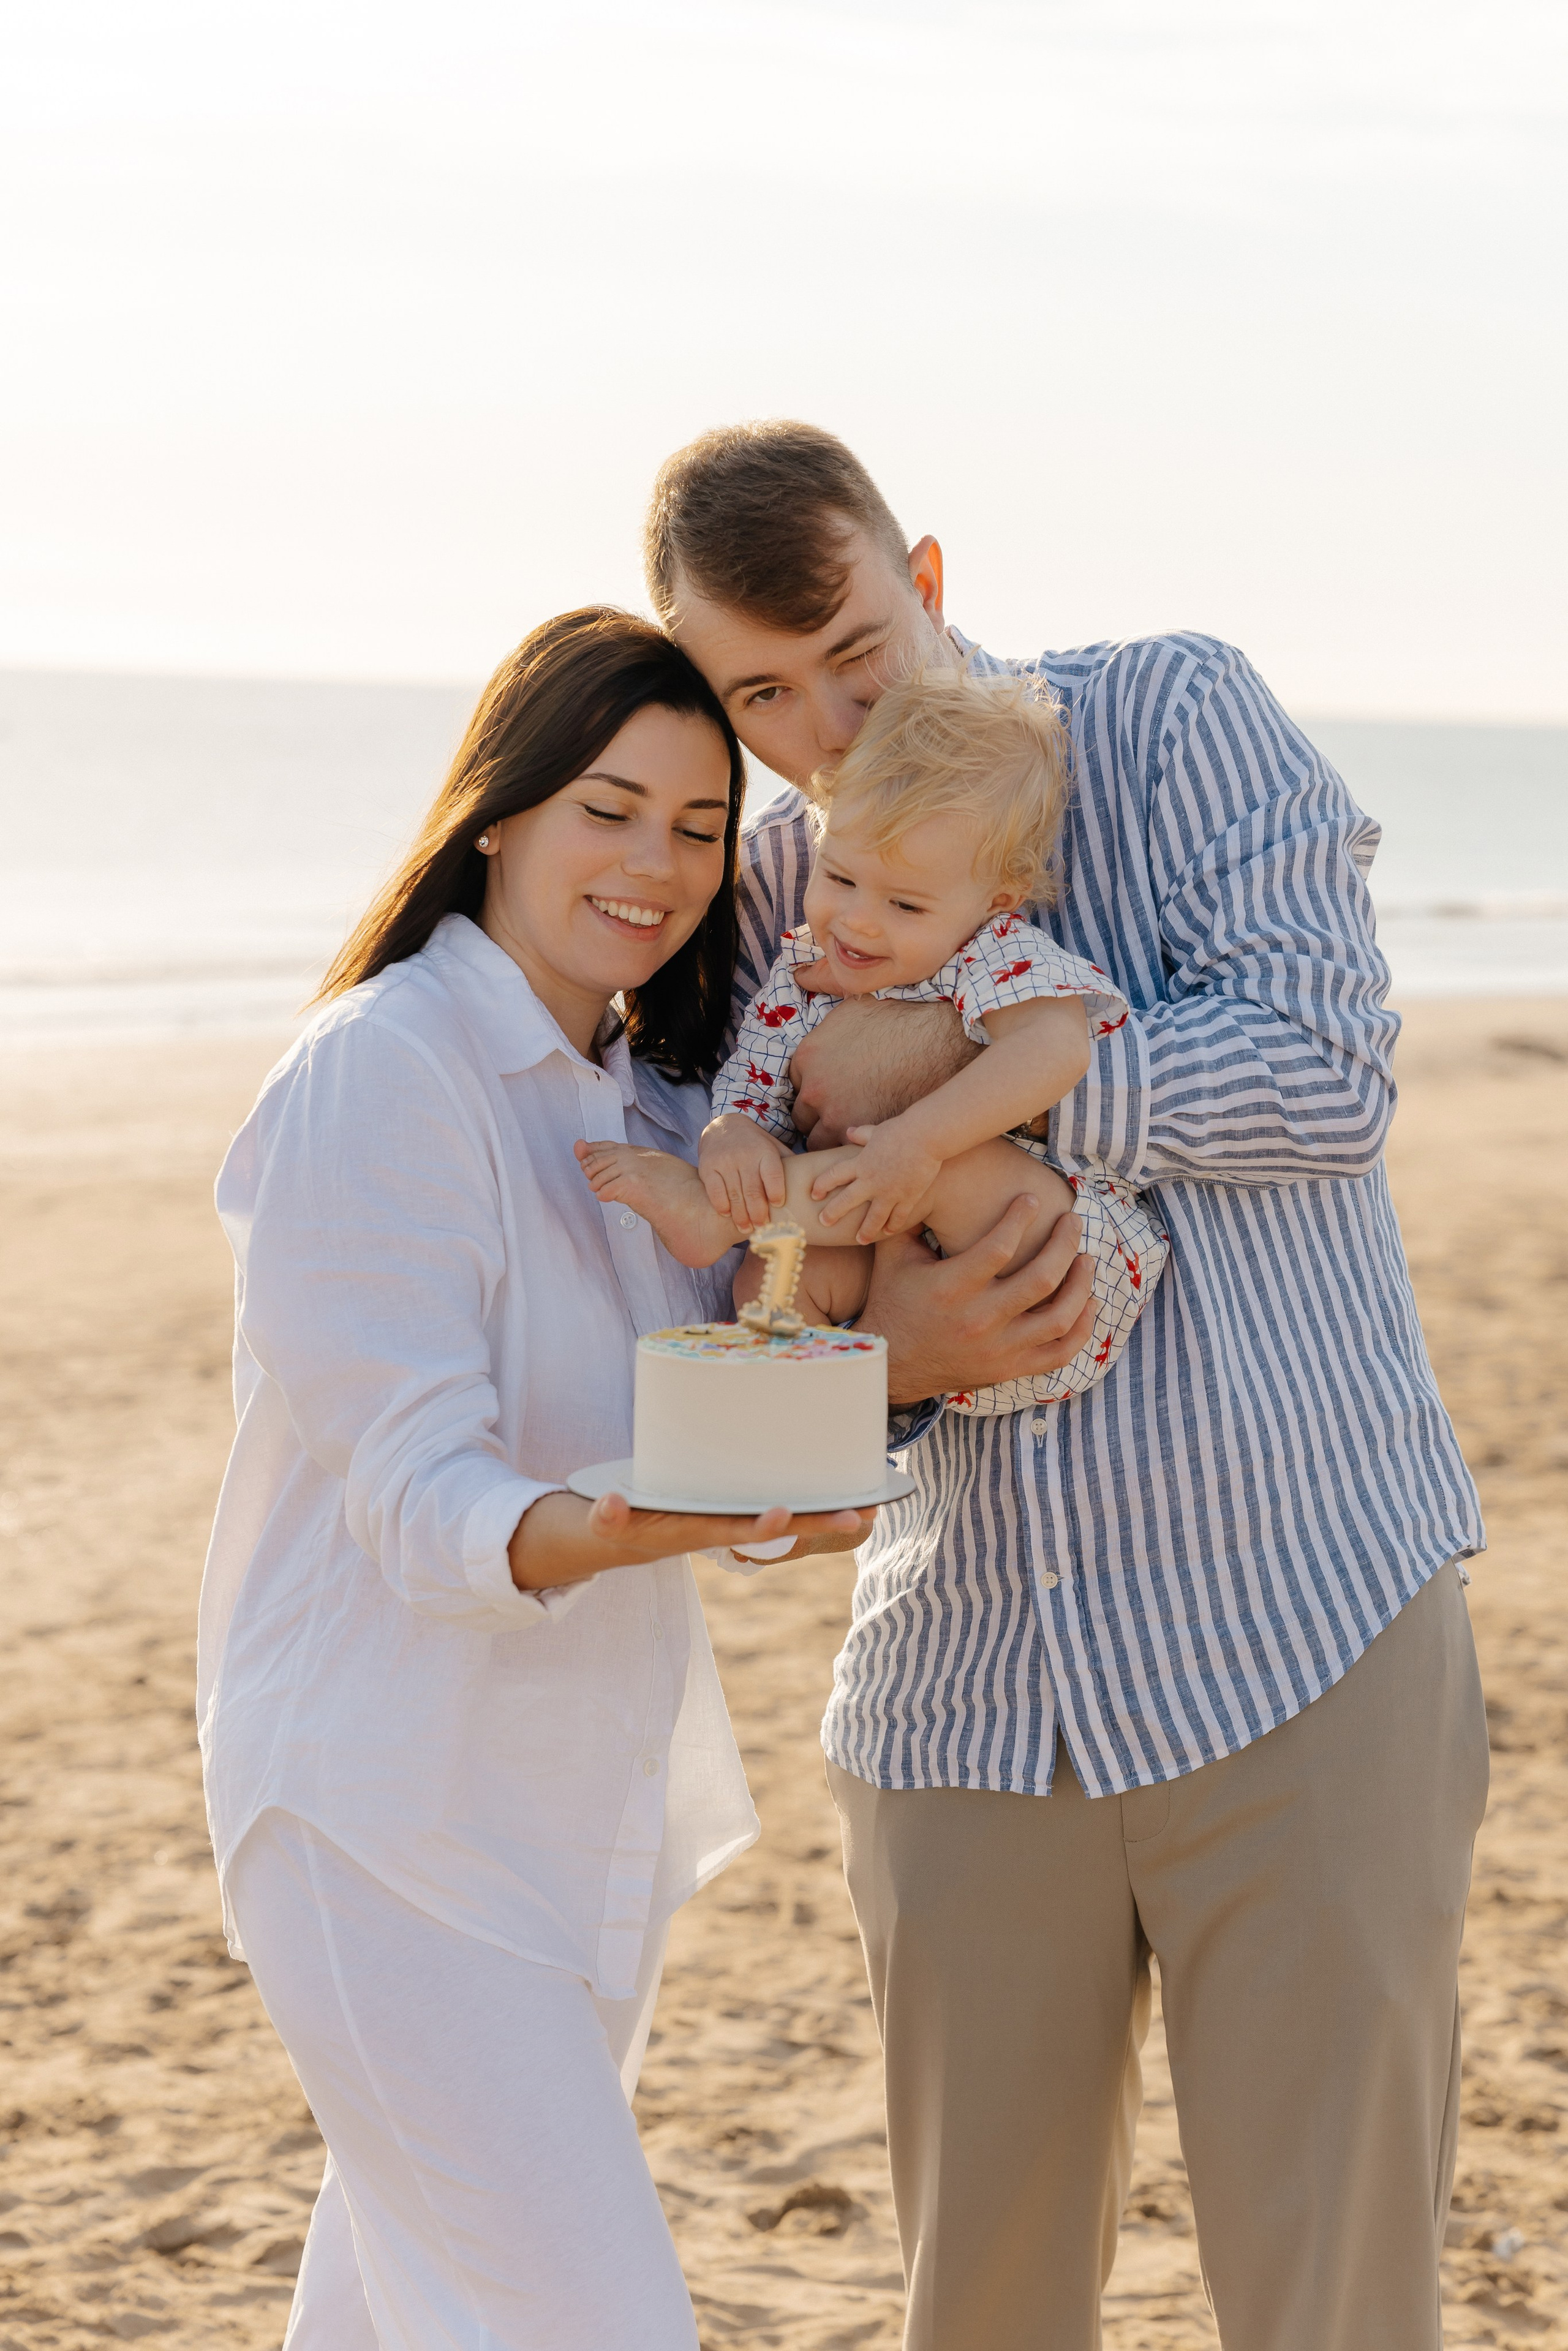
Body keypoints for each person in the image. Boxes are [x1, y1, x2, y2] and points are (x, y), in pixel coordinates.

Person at [644, 421, 1490, 2350]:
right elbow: (747, 1317)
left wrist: (979, 1124)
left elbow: (1323, 1074)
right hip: (962, 1700)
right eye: (756, 693)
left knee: (1334, 2305)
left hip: (1297, 1631)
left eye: (852, 648)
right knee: (982, 2312)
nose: (825, 722)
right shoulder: (771, 892)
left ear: (922, 577)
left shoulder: (1171, 721)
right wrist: (889, 1362)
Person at [198, 606, 874, 2351]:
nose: (657, 861)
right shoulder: (385, 1068)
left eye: (700, 826)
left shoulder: (645, 1105)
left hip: (562, 1823)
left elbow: (700, 1398)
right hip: (387, 1820)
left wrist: (803, 1454)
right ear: (498, 810)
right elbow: (425, 1499)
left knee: (390, 2315)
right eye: (609, 805)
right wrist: (646, 1521)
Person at [577, 660, 1167, 1415]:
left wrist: (919, 1140)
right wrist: (733, 1135)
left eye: (906, 905)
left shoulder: (993, 955)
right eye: (842, 878)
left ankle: (712, 1214)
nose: (858, 921)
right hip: (912, 1312)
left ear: (995, 901)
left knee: (950, 1164)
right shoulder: (798, 977)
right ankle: (789, 1434)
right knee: (767, 1280)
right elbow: (752, 1088)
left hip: (1061, 1268)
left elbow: (1055, 1050)